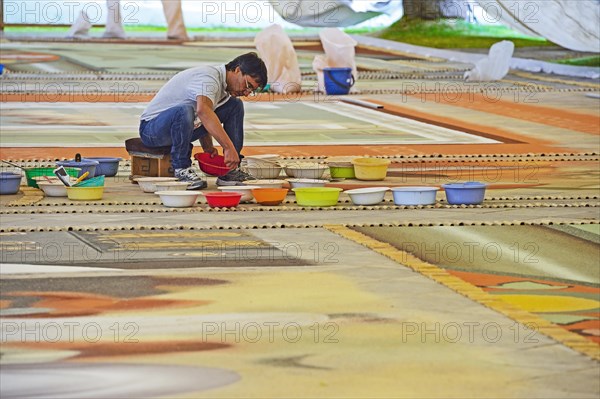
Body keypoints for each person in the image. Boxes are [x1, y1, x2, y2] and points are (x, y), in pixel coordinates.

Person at [139, 52, 268, 189]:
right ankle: (181, 169)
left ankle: (230, 170)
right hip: (151, 130)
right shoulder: (209, 78)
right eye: (248, 85)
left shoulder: (223, 90)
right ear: (237, 70)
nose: (247, 92)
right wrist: (228, 147)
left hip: (180, 127)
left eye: (251, 90)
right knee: (184, 110)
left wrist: (208, 147)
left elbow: (204, 115)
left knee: (234, 105)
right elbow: (203, 111)